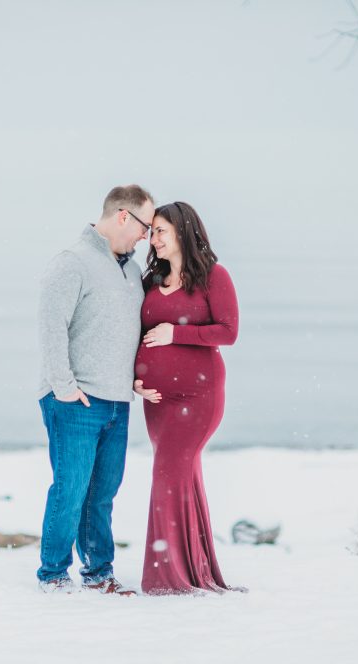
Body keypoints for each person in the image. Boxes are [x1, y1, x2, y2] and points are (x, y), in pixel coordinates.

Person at [35, 184, 156, 595]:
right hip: (76, 399)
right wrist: (64, 388)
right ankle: (52, 575)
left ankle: (98, 572)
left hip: (117, 400)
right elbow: (52, 328)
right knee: (70, 489)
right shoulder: (72, 262)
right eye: (144, 226)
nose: (147, 235)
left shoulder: (133, 271)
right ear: (124, 216)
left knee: (102, 494)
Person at [132, 201, 244, 595]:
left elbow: (227, 332)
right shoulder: (151, 278)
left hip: (198, 395)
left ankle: (168, 578)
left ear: (182, 231)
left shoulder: (214, 277)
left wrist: (175, 334)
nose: (154, 238)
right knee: (182, 477)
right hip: (157, 399)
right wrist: (134, 379)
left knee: (167, 475)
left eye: (161, 230)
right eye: (153, 231)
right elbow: (134, 335)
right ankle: (194, 571)